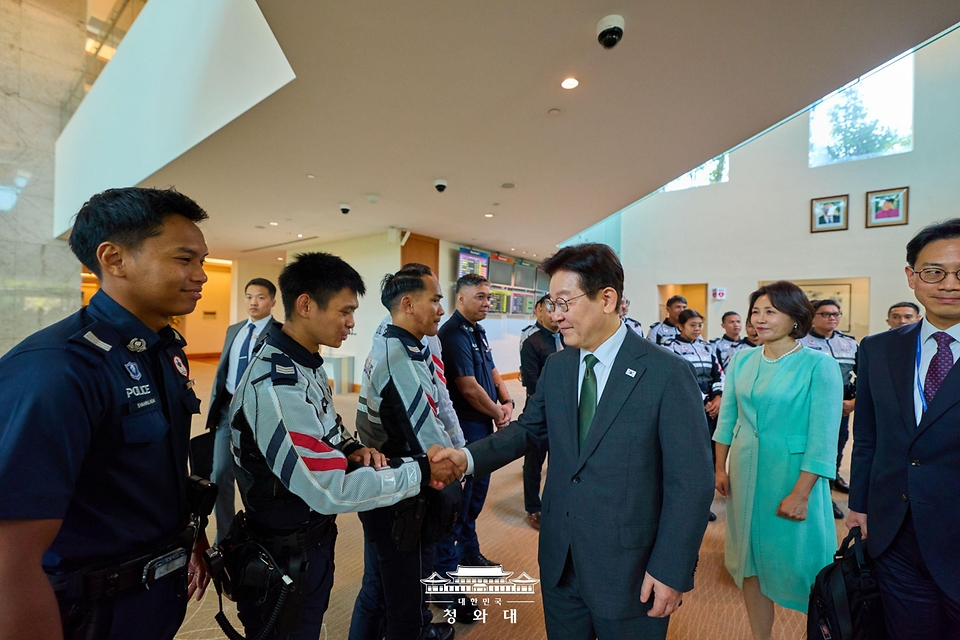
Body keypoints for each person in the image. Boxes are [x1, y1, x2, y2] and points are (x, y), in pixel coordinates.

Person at [434, 243, 714, 640]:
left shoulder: (667, 373)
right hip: (561, 559)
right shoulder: (559, 366)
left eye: (565, 302)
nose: (555, 314)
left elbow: (691, 482)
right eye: (551, 302)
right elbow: (529, 430)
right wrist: (465, 458)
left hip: (631, 569)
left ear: (607, 299)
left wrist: (671, 567)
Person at [0, 187, 213, 640]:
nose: (201, 275)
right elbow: (9, 555)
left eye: (202, 261)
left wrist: (190, 536)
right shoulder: (58, 368)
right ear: (114, 258)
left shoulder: (164, 350)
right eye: (184, 259)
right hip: (87, 612)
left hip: (151, 600)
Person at [229, 252, 457, 639]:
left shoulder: (305, 363)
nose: (352, 323)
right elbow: (327, 489)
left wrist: (352, 448)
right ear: (305, 305)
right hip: (283, 549)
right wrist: (420, 472)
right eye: (345, 311)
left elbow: (328, 429)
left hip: (310, 541)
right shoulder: (276, 384)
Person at [847, 220, 960, 638]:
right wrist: (859, 504)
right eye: (934, 271)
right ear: (912, 277)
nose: (948, 283)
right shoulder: (878, 348)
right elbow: (869, 436)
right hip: (895, 531)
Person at [713, 281, 842, 640]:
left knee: (804, 566)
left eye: (771, 311)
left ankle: (820, 632)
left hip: (792, 476)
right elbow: (729, 418)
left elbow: (822, 437)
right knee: (750, 563)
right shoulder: (743, 358)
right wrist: (719, 466)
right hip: (745, 471)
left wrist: (802, 493)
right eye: (756, 311)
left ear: (795, 316)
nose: (760, 319)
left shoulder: (819, 365)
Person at [350, 264, 459, 640]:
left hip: (389, 488)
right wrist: (459, 466)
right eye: (435, 300)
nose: (441, 310)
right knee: (405, 601)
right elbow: (433, 448)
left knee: (380, 588)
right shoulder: (400, 359)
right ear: (409, 303)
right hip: (401, 497)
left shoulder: (401, 344)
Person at [436, 274, 514, 569]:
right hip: (466, 429)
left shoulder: (477, 331)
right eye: (480, 296)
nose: (487, 302)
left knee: (476, 495)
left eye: (489, 297)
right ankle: (449, 567)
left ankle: (468, 551)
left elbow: (493, 372)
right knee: (462, 499)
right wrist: (498, 414)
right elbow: (468, 387)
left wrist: (506, 403)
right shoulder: (453, 333)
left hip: (484, 426)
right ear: (461, 298)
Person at [206, 278, 276, 542]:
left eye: (260, 297)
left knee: (257, 477)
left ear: (272, 301)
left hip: (260, 415)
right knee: (220, 473)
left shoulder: (280, 332)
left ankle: (260, 534)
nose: (253, 303)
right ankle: (224, 536)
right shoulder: (234, 329)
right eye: (248, 297)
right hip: (228, 410)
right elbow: (224, 370)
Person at [798, 299, 858, 516]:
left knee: (835, 449)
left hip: (841, 407)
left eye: (835, 314)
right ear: (812, 317)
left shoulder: (850, 343)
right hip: (808, 406)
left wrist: (853, 403)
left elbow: (866, 376)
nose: (831, 318)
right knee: (811, 449)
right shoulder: (800, 343)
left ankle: (828, 494)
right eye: (825, 314)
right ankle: (807, 493)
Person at [519, 294, 564, 530]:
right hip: (540, 411)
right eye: (550, 309)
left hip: (564, 413)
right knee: (534, 462)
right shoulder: (532, 343)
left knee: (559, 461)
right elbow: (532, 381)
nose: (555, 315)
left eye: (558, 309)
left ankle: (554, 504)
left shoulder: (569, 338)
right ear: (540, 312)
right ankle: (533, 507)